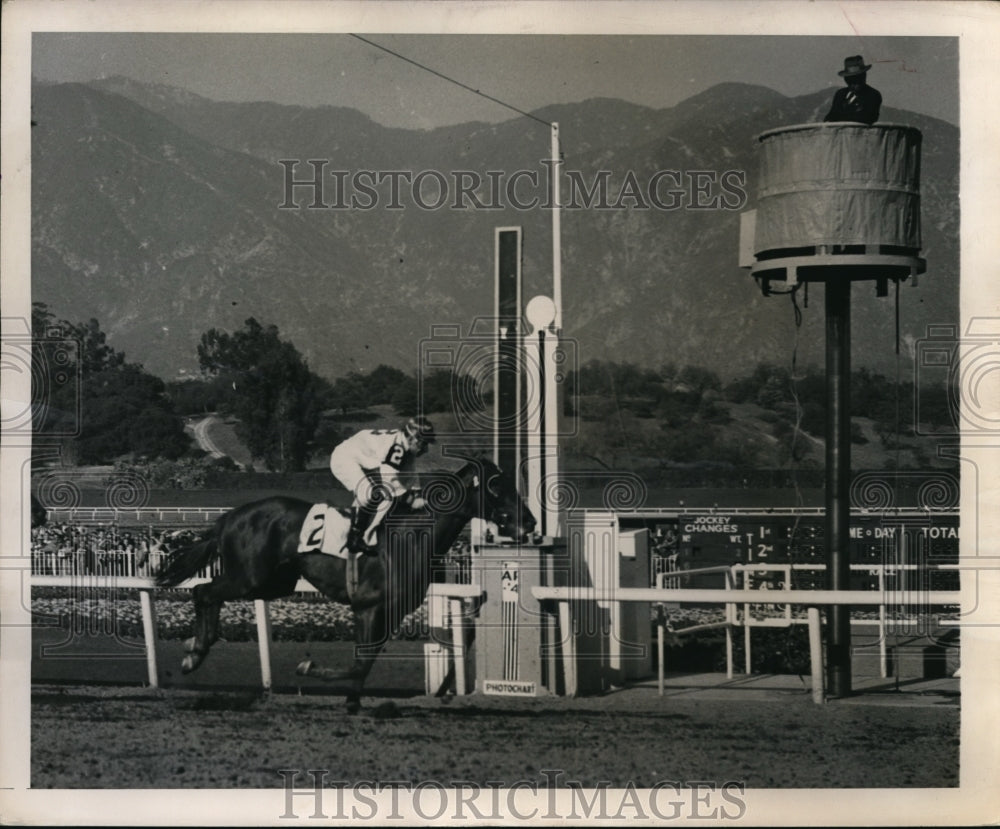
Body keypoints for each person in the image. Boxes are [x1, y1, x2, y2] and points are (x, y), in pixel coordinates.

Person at [329, 416, 436, 553]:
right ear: (413, 438)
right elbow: (389, 480)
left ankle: (369, 533)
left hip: (363, 458)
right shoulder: (397, 447)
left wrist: (416, 492)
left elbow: (410, 475)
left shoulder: (404, 445)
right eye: (423, 443)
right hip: (345, 457)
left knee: (385, 495)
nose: (425, 450)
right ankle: (354, 538)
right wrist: (411, 500)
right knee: (369, 493)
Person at [824, 55, 882, 125]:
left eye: (858, 78)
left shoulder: (873, 95)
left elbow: (868, 118)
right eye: (850, 79)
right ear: (846, 79)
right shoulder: (840, 94)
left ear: (864, 76)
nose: (855, 83)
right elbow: (830, 116)